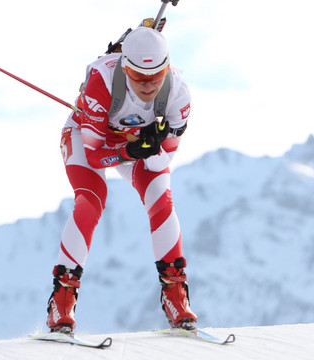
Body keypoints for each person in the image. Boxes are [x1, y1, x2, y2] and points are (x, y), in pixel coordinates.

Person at [46, 24, 197, 334]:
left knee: (160, 195)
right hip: (89, 137)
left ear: (166, 69)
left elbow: (162, 161)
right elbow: (93, 155)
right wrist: (130, 149)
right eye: (139, 77)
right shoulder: (101, 82)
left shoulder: (178, 94)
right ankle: (61, 299)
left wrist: (149, 144)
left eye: (155, 77)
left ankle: (175, 297)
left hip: (131, 143)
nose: (147, 85)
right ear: (124, 66)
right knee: (91, 200)